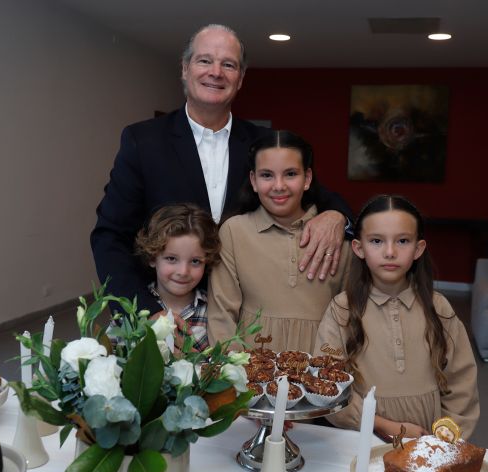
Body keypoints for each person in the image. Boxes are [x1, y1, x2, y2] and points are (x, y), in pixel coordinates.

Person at [90, 24, 353, 313]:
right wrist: (143, 313)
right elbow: (110, 235)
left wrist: (337, 216)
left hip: (249, 315)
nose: (216, 72)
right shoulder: (143, 141)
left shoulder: (263, 144)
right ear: (185, 68)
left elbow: (320, 194)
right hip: (167, 312)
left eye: (228, 64)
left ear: (240, 78)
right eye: (205, 60)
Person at [312, 194, 480, 439]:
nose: (390, 252)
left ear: (418, 248)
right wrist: (384, 426)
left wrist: (444, 440)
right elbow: (327, 385)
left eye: (402, 241)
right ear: (359, 248)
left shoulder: (439, 308)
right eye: (377, 241)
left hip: (429, 443)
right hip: (360, 439)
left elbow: (462, 384)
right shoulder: (342, 310)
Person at [207, 130, 351, 354]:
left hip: (320, 368)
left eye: (291, 174)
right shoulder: (234, 232)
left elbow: (350, 314)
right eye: (267, 175)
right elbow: (221, 315)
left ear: (308, 179)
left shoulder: (334, 236)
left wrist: (327, 375)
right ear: (253, 181)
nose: (279, 185)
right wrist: (234, 374)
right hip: (251, 370)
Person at [133, 203, 221, 352]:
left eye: (195, 261)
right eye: (172, 259)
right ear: (153, 258)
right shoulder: (134, 308)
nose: (183, 271)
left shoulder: (213, 311)